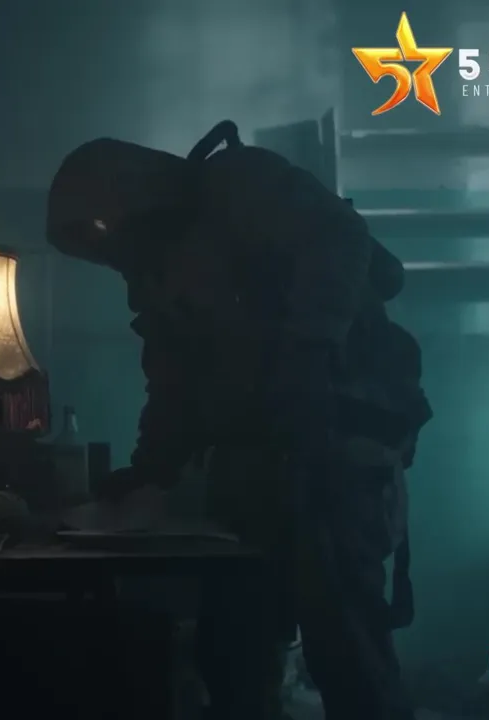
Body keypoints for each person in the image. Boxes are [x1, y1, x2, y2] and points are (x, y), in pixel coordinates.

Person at [44, 122, 429, 720]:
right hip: (253, 465)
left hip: (334, 448)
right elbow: (172, 380)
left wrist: (306, 352)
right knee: (232, 650)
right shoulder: (157, 270)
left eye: (109, 233)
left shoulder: (236, 184)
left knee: (346, 648)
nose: (115, 253)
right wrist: (152, 467)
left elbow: (339, 236)